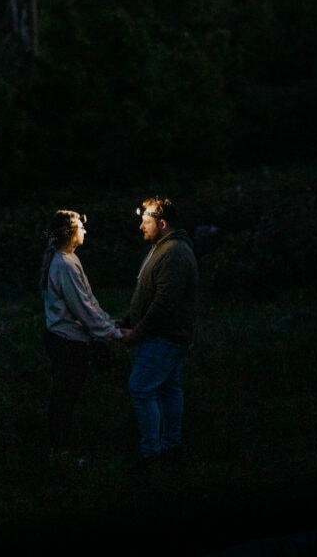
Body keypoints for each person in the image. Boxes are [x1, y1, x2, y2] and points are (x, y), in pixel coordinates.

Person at [119, 195, 199, 463]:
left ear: (162, 223)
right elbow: (147, 292)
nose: (141, 226)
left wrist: (137, 332)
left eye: (145, 221)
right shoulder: (162, 248)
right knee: (167, 388)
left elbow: (163, 302)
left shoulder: (174, 252)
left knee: (141, 388)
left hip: (164, 336)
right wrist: (127, 321)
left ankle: (152, 452)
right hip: (165, 335)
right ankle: (170, 446)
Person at [39, 208, 123, 459]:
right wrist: (113, 333)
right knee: (64, 396)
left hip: (69, 340)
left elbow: (88, 300)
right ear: (70, 233)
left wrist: (109, 323)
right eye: (81, 226)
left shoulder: (70, 259)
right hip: (66, 341)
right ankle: (59, 451)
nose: (85, 230)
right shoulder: (64, 263)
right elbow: (82, 307)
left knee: (67, 395)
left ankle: (60, 447)